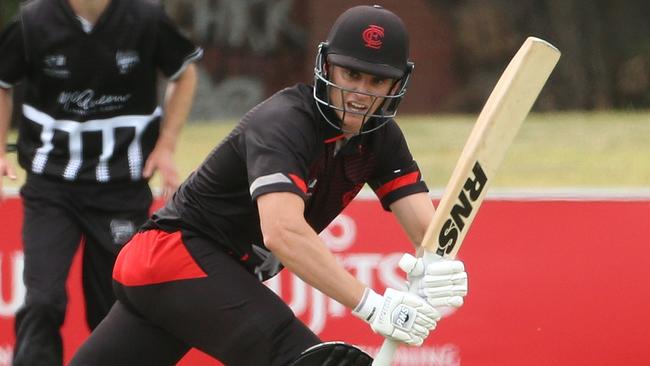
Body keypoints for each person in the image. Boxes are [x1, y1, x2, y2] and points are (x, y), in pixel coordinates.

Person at [70, 5, 468, 366]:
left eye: (377, 81)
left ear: (396, 85)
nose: (360, 94)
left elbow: (428, 231)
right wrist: (371, 305)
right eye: (351, 74)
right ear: (327, 67)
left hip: (194, 277)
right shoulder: (286, 121)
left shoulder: (381, 138)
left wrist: (442, 265)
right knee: (309, 361)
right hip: (176, 257)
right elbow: (282, 232)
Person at [0, 0, 202, 365]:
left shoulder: (146, 17)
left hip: (121, 188)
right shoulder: (34, 21)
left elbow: (185, 73)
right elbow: (2, 82)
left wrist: (167, 144)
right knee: (42, 301)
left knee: (113, 310)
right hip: (51, 186)